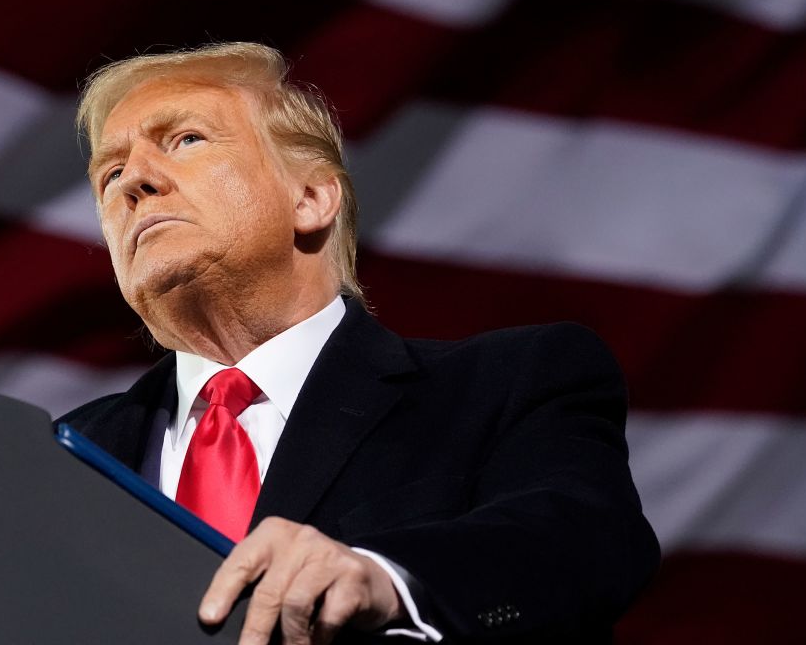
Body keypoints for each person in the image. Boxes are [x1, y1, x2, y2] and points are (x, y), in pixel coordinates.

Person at [59, 42, 659, 644]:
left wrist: (384, 579)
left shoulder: (507, 384)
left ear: (311, 199)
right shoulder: (59, 458)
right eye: (110, 174)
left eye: (185, 140)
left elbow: (585, 541)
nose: (134, 180)